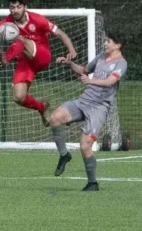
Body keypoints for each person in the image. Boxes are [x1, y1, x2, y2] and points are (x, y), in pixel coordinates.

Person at [0, 0, 77, 127]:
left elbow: (60, 33)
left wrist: (71, 49)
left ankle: (5, 59)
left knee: (18, 37)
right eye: (12, 7)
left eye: (18, 7)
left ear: (25, 7)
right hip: (25, 60)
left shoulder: (37, 19)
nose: (15, 10)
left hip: (42, 55)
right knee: (18, 97)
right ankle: (42, 107)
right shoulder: (6, 22)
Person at [49, 33, 127, 191]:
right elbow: (84, 69)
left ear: (118, 45)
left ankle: (92, 183)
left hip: (99, 107)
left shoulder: (121, 63)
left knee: (85, 145)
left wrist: (90, 80)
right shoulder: (100, 57)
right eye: (105, 41)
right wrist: (70, 63)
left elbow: (110, 81)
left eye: (109, 41)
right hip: (84, 101)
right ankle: (64, 155)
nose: (105, 44)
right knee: (55, 117)